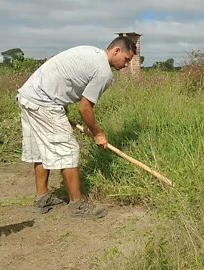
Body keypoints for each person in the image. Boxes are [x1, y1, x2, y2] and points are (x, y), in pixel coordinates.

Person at [16, 36, 136, 219]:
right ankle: (77, 206)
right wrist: (98, 133)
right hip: (44, 102)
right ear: (116, 51)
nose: (126, 65)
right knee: (69, 151)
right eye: (126, 59)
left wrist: (88, 125)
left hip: (29, 95)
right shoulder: (104, 72)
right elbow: (84, 107)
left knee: (41, 150)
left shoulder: (91, 52)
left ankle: (42, 199)